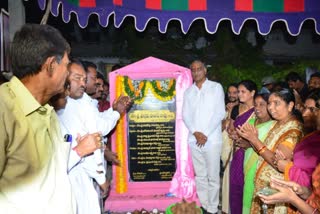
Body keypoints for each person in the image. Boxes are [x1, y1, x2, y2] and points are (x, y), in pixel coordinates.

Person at [0, 24, 99, 214]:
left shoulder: (47, 112)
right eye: (67, 66)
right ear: (51, 65)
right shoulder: (4, 110)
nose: (68, 75)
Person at [237, 89, 303, 213]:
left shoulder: (293, 130)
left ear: (290, 105)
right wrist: (250, 142)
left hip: (278, 190)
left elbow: (279, 163)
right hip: (264, 186)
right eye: (270, 103)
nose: (271, 107)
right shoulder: (277, 124)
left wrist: (255, 140)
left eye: (276, 103)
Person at [182, 60, 225, 214]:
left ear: (205, 71)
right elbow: (185, 115)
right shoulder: (188, 91)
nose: (196, 72)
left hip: (212, 140)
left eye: (199, 69)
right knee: (200, 175)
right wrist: (196, 133)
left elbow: (220, 113)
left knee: (213, 176)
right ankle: (205, 206)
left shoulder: (216, 87)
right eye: (193, 70)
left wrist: (204, 134)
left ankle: (213, 209)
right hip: (194, 140)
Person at [274, 91, 320, 189]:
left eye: (312, 109)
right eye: (305, 108)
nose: (304, 113)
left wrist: (287, 167)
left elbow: (312, 181)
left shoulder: (315, 139)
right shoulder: (311, 135)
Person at [242, 93, 275, 214]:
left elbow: (269, 148)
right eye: (255, 105)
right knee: (247, 192)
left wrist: (251, 142)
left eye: (262, 104)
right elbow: (243, 141)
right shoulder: (251, 121)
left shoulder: (274, 126)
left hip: (262, 165)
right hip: (248, 164)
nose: (257, 108)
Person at [228, 80, 257, 214]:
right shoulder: (235, 108)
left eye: (243, 91)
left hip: (251, 151)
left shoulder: (258, 111)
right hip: (238, 150)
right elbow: (230, 127)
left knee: (248, 184)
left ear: (252, 93)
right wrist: (232, 133)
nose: (239, 94)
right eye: (238, 91)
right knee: (235, 183)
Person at [221, 83, 238, 214]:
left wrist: (232, 112)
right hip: (225, 146)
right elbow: (220, 128)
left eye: (235, 92)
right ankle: (226, 208)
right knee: (227, 174)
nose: (232, 95)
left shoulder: (243, 109)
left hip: (237, 147)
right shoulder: (223, 108)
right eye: (230, 93)